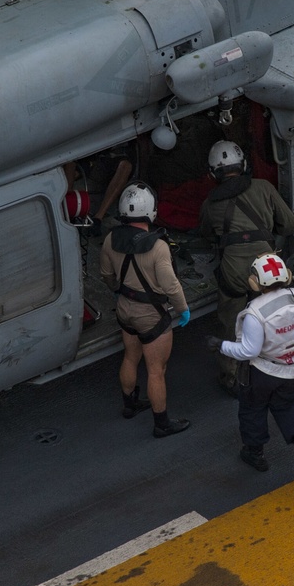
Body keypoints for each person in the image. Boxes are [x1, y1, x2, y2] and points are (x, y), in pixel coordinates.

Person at [199, 140, 294, 394]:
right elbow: (289, 225)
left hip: (233, 275)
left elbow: (207, 235)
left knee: (231, 322)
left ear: (213, 174)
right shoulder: (263, 188)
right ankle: (280, 359)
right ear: (243, 165)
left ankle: (231, 377)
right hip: (266, 270)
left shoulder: (210, 204)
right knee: (275, 314)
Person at [208, 253, 294, 480]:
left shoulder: (254, 312)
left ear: (255, 282)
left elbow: (249, 351)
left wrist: (220, 345)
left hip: (263, 373)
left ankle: (255, 453)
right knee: (286, 405)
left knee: (252, 409)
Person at [100, 181, 191, 438]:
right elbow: (171, 286)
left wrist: (117, 290)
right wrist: (183, 309)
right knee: (156, 371)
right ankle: (162, 424)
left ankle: (129, 406)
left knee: (130, 357)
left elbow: (106, 274)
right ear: (151, 210)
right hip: (151, 317)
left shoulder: (110, 239)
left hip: (125, 309)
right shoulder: (158, 247)